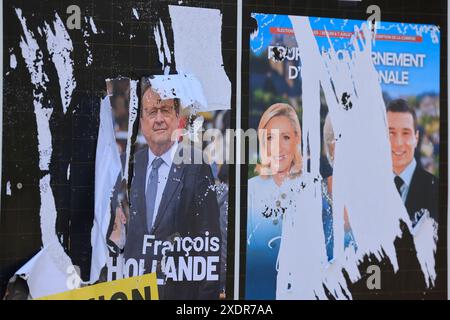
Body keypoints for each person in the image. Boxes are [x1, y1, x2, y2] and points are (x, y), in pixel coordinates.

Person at [112, 82, 221, 300]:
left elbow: (210, 247)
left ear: (178, 119)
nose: (159, 119)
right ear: (141, 122)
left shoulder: (197, 166)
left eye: (166, 110)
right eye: (152, 112)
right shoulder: (128, 165)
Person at [246, 103, 330, 300]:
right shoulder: (250, 190)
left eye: (285, 137)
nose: (277, 147)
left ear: (297, 139)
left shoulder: (314, 188)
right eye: (270, 138)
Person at [387, 99, 439, 227]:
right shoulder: (368, 188)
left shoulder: (437, 191)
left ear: (416, 138)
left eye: (405, 133)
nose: (398, 142)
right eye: (390, 133)